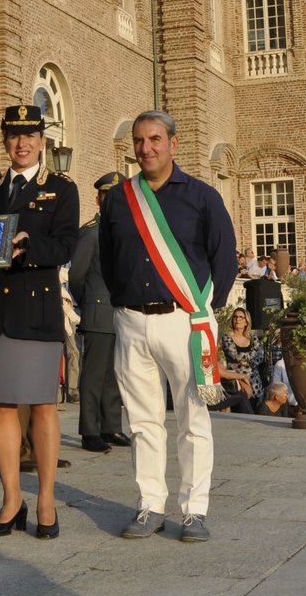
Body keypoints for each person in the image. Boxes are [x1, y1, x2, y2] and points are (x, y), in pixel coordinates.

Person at [98, 110, 236, 543]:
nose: (146, 149)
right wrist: (124, 305)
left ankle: (194, 510)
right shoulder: (120, 198)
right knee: (142, 421)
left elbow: (225, 259)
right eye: (139, 141)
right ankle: (150, 505)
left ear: (173, 144)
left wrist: (204, 312)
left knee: (193, 418)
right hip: (132, 321)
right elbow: (107, 257)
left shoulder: (203, 196)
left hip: (184, 322)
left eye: (155, 139)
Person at [0, 105, 79, 541]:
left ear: (42, 141)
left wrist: (30, 247)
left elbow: (67, 244)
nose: (22, 143)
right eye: (14, 136)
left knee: (44, 407)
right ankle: (11, 498)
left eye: (30, 135)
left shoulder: (61, 190)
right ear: (6, 140)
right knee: (2, 406)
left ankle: (46, 498)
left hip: (36, 308)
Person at [70, 171, 128, 454]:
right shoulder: (91, 233)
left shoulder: (127, 230)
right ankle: (90, 430)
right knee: (93, 375)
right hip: (99, 311)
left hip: (123, 314)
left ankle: (112, 426)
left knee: (116, 375)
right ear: (99, 199)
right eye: (109, 197)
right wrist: (89, 304)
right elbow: (76, 276)